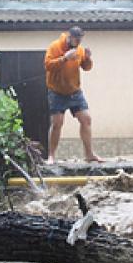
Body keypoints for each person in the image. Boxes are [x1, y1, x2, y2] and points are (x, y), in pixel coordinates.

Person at [44, 26, 104, 165]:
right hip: (56, 92)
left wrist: (88, 59)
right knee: (57, 123)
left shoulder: (80, 49)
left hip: (74, 92)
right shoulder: (55, 47)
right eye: (76, 40)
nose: (78, 43)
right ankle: (51, 156)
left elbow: (86, 67)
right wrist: (64, 58)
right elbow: (47, 65)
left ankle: (89, 154)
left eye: (80, 40)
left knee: (86, 119)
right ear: (69, 37)